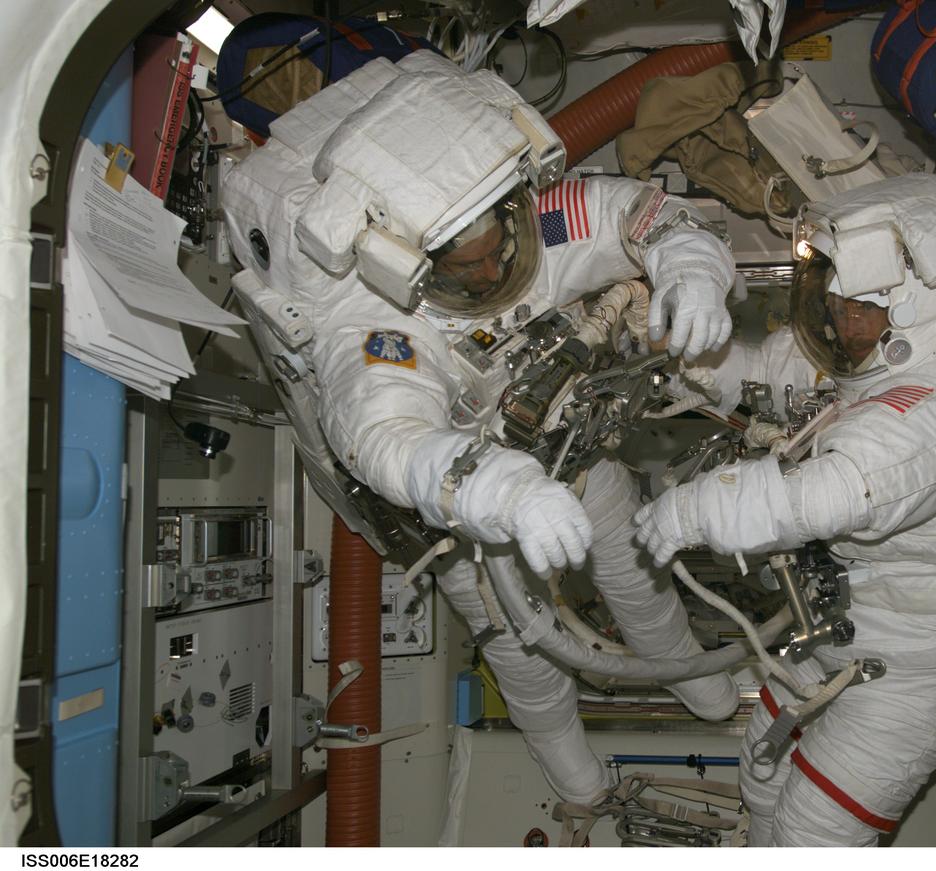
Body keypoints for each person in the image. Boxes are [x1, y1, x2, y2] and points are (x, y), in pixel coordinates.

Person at [219, 49, 740, 805]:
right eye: (465, 269)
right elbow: (385, 437)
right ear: (409, 260)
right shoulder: (371, 319)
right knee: (522, 641)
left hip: (563, 435)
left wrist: (691, 264)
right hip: (470, 506)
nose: (493, 272)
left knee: (632, 562)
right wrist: (498, 486)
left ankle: (687, 669)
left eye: (500, 245)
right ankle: (566, 757)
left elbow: (640, 214)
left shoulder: (525, 221)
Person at [635, 174, 936, 845]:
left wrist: (696, 512)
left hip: (908, 667)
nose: (837, 317)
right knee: (760, 781)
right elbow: (778, 375)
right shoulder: (869, 357)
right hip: (834, 629)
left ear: (912, 306)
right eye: (828, 294)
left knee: (812, 834)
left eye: (856, 304)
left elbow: (840, 490)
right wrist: (695, 366)